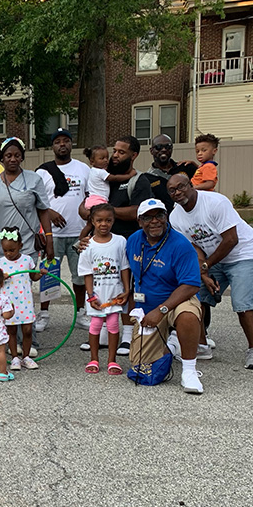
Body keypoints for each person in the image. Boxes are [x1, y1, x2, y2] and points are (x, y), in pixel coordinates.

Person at [166, 173, 253, 369]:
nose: (178, 192)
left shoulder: (215, 202)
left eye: (181, 187)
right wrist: (203, 275)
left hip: (244, 254)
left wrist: (206, 266)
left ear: (192, 185)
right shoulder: (175, 216)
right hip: (213, 258)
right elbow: (193, 246)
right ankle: (202, 346)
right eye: (172, 190)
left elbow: (231, 239)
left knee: (243, 304)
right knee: (196, 295)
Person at [78, 136, 153, 357]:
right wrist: (89, 212)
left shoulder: (139, 181)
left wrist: (104, 210)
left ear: (134, 155)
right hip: (101, 242)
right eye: (115, 151)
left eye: (122, 152)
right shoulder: (103, 175)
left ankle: (127, 334)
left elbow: (137, 211)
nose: (115, 155)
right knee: (102, 282)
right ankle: (102, 332)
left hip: (127, 241)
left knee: (126, 285)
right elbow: (87, 204)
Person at [127, 199, 205, 394]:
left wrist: (161, 310)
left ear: (166, 217)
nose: (155, 221)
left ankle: (189, 371)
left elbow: (191, 285)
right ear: (139, 221)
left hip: (174, 302)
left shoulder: (181, 244)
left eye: (159, 215)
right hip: (146, 309)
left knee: (187, 315)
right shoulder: (133, 240)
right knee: (140, 364)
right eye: (148, 217)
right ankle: (171, 343)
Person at [37, 127, 90, 331]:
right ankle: (43, 314)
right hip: (53, 235)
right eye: (58, 141)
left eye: (66, 141)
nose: (62, 144)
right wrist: (49, 213)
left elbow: (91, 197)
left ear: (71, 144)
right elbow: (36, 200)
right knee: (49, 274)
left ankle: (81, 313)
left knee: (80, 277)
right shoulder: (43, 171)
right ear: (53, 146)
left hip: (79, 233)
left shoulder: (83, 169)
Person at [0, 136, 54, 267]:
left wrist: (49, 239)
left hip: (26, 246)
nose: (13, 159)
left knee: (23, 284)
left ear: (22, 158)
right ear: (2, 158)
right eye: (8, 155)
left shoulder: (34, 180)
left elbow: (43, 211)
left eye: (17, 155)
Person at [78, 203, 130, 375]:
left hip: (115, 294)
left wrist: (127, 289)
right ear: (92, 221)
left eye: (108, 220)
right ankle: (94, 358)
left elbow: (124, 267)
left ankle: (112, 360)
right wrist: (91, 295)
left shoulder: (120, 241)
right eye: (99, 220)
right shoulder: (87, 246)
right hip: (97, 296)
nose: (103, 224)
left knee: (114, 324)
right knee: (95, 325)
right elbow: (87, 273)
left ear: (113, 221)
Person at [0, 226, 40, 370]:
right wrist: (1, 277)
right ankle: (14, 357)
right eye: (5, 250)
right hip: (9, 303)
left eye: (12, 250)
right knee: (11, 331)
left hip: (25, 301)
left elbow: (33, 276)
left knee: (27, 330)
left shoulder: (27, 260)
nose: (8, 253)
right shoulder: (0, 262)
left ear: (20, 246)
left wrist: (42, 273)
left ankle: (26, 357)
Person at [147, 134, 195, 206]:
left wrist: (196, 165)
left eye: (167, 146)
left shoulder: (186, 167)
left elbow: (206, 181)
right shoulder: (147, 178)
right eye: (159, 147)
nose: (164, 150)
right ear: (151, 151)